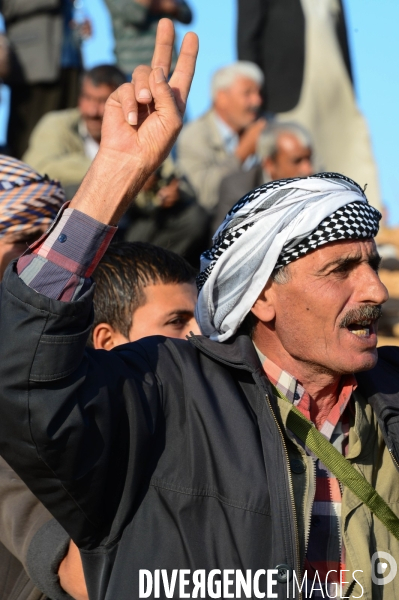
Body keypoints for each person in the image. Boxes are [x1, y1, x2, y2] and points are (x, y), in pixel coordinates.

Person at [1, 19, 399, 599]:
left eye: (371, 264)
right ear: (261, 295)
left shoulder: (390, 395)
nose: (376, 291)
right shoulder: (168, 398)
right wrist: (116, 174)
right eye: (341, 270)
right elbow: (24, 384)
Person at [0, 237, 198, 600]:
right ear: (107, 340)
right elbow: (83, 575)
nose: (198, 335)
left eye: (200, 319)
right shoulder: (34, 437)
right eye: (177, 322)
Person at [237, 0, 382, 210]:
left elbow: (343, 39)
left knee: (351, 158)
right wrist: (254, 100)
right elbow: (247, 36)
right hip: (286, 94)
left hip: (336, 92)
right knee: (294, 168)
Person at [1, 0, 90, 159]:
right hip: (32, 64)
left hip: (70, 60)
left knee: (70, 133)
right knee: (27, 142)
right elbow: (9, 6)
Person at [23, 64, 126, 194]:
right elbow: (38, 170)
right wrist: (117, 172)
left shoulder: (135, 132)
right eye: (87, 98)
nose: (92, 111)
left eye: (103, 101)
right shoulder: (58, 124)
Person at [177, 61, 266, 212]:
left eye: (258, 93)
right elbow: (204, 196)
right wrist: (241, 154)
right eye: (248, 93)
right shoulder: (194, 136)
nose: (258, 101)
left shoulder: (268, 126)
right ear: (222, 97)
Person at [214, 122, 313, 231]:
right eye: (297, 161)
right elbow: (223, 242)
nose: (308, 170)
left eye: (308, 159)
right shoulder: (239, 192)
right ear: (269, 164)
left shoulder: (318, 185)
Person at [123, 156, 209, 267]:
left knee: (196, 217)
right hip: (132, 221)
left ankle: (165, 266)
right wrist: (136, 189)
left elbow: (183, 183)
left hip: (161, 213)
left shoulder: (154, 149)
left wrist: (175, 192)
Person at [105, 0, 192, 78]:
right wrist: (162, 5)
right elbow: (135, 14)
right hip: (130, 67)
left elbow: (186, 14)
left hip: (168, 66)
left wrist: (159, 5)